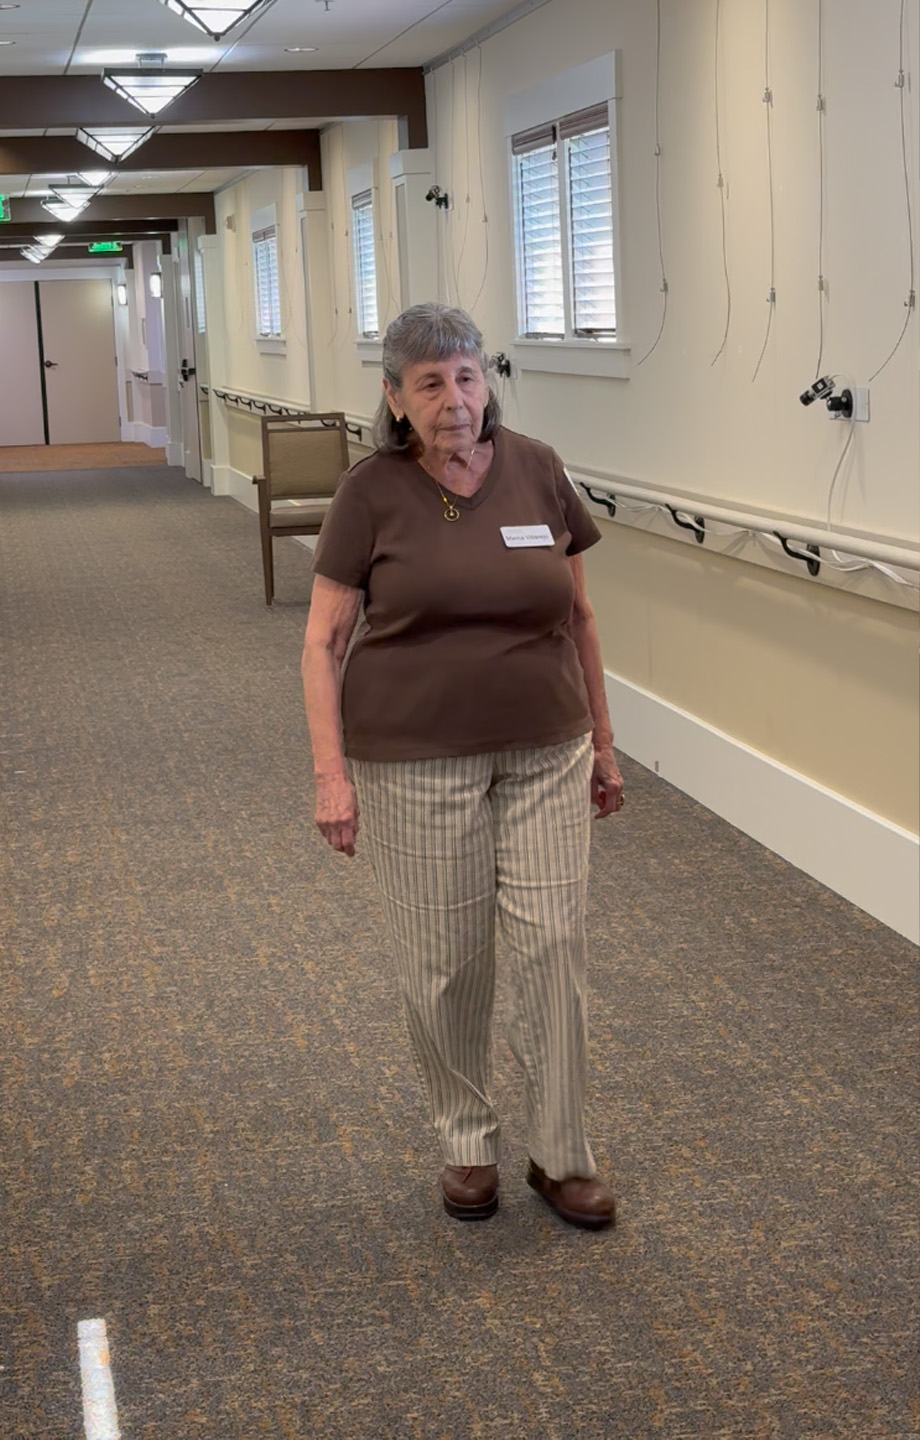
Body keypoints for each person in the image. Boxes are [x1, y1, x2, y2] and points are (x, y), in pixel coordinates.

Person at [302, 303, 624, 1229]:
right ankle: (467, 1140)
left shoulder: (538, 468)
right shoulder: (370, 492)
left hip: (546, 748)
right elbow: (323, 642)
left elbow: (581, 618)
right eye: (431, 383)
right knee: (446, 962)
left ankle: (563, 1156)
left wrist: (603, 741)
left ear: (489, 380)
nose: (455, 400)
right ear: (396, 398)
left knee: (554, 948)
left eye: (468, 376)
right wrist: (332, 774)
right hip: (415, 758)